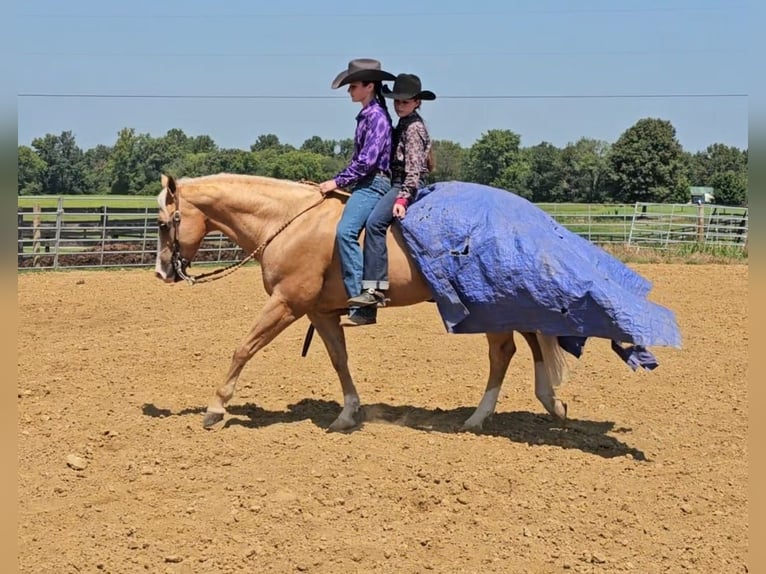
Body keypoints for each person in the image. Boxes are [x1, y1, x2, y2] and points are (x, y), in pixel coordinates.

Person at [345, 73, 436, 323]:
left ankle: (374, 288)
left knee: (375, 223)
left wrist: (403, 198)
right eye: (396, 101)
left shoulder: (414, 128)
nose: (399, 105)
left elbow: (414, 169)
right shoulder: (403, 123)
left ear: (417, 102)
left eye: (404, 102)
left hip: (403, 184)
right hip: (395, 183)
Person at [318, 58, 396, 326]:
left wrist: (337, 182)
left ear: (369, 86)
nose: (350, 90)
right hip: (365, 182)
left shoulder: (376, 118)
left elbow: (367, 161)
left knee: (346, 232)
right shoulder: (367, 115)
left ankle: (362, 303)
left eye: (353, 85)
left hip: (374, 183)